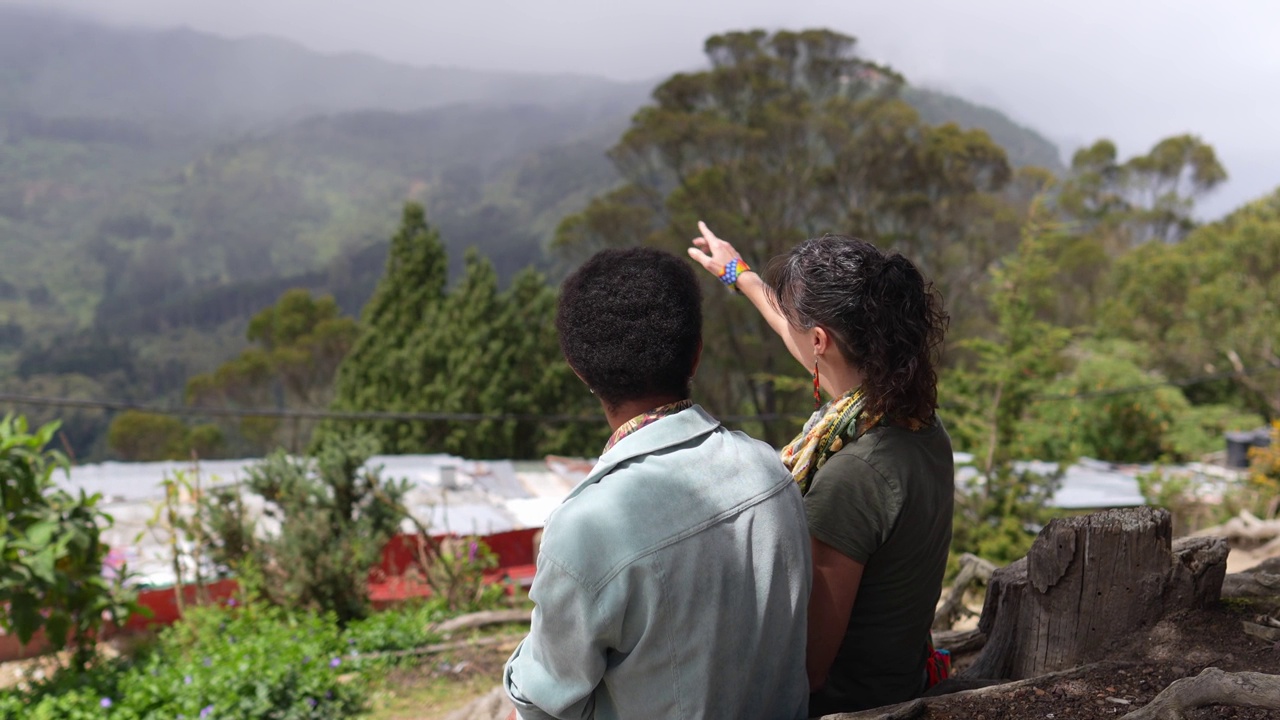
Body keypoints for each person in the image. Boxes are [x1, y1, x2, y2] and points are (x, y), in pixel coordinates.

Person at [503, 247, 812, 720]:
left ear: (578, 367)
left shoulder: (586, 528)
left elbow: (543, 702)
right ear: (696, 353)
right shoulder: (771, 472)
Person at [688, 223, 955, 715]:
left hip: (853, 707)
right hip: (900, 677)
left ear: (820, 340)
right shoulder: (914, 422)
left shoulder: (851, 477)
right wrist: (737, 272)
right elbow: (796, 335)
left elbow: (810, 667)